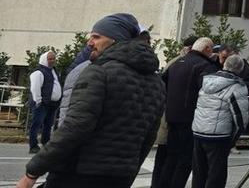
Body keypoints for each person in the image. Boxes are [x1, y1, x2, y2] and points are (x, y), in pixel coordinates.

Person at [20, 13, 164, 188]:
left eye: (96, 37)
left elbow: (76, 126)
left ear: (115, 40)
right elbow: (149, 135)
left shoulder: (98, 72)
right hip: (120, 176)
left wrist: (33, 171)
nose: (89, 43)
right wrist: (130, 171)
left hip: (78, 173)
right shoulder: (156, 82)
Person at [157, 36, 218, 188]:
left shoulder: (176, 63)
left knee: (171, 157)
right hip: (190, 118)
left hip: (171, 117)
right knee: (185, 160)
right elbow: (207, 92)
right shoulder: (204, 66)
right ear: (207, 49)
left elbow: (163, 84)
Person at [191, 54, 249, 188]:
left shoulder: (207, 81)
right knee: (216, 176)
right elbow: (241, 119)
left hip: (199, 131)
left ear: (224, 65)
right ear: (240, 69)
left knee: (199, 173)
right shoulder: (237, 87)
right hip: (219, 136)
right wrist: (233, 140)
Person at [27, 50, 62, 154]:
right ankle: (33, 146)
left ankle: (46, 143)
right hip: (41, 103)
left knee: (48, 125)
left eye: (53, 58)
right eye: (50, 59)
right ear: (44, 60)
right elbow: (35, 88)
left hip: (52, 104)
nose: (52, 61)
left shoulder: (54, 71)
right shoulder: (39, 72)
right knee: (36, 124)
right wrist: (38, 101)